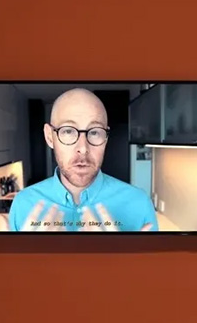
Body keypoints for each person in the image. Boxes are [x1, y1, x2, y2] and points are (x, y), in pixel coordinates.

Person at [9, 89, 160, 233]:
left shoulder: (139, 203)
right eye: (68, 131)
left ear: (106, 137)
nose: (83, 148)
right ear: (50, 137)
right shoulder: (22, 205)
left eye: (94, 132)